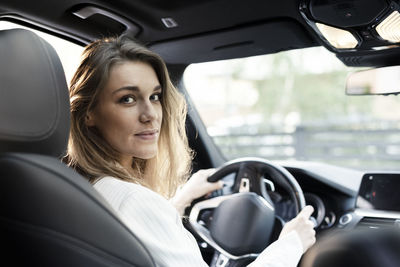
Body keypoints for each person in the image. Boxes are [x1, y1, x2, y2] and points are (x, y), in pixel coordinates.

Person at [64, 34, 316, 266]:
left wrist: (181, 200)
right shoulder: (133, 201)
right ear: (88, 114)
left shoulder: (81, 185)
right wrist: (291, 244)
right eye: (127, 99)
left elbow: (139, 238)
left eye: (155, 96)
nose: (150, 115)